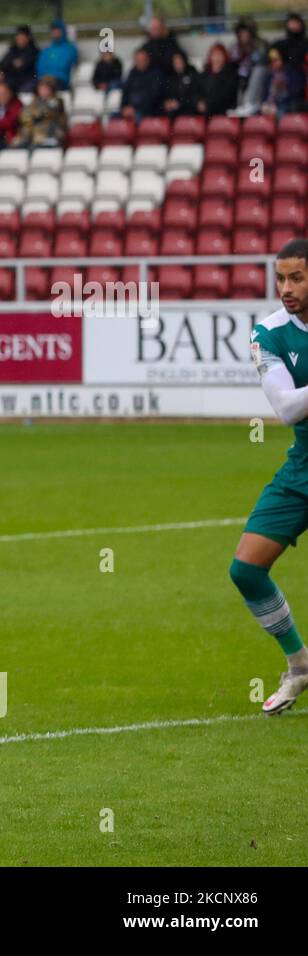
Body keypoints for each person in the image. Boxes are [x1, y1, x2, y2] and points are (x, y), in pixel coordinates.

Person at [230, 239, 308, 716]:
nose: (286, 288)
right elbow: (286, 407)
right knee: (245, 568)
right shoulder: (269, 334)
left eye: (297, 277)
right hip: (303, 466)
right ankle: (299, 665)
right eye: (280, 278)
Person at [13, 75, 68, 147]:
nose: (43, 91)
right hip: (33, 132)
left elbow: (49, 113)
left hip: (51, 131)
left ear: (52, 89)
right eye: (41, 88)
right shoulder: (34, 101)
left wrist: (36, 116)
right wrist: (36, 116)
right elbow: (24, 115)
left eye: (46, 88)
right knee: (19, 139)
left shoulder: (57, 101)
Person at [36, 19, 78, 90]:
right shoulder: (47, 49)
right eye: (53, 30)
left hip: (61, 80)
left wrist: (52, 75)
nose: (55, 32)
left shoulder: (70, 48)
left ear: (63, 31)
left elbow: (65, 65)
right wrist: (45, 76)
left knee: (47, 87)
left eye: (57, 30)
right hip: (44, 79)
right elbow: (40, 65)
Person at [0, 25, 38, 93]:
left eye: (22, 36)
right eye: (18, 35)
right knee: (0, 88)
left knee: (25, 90)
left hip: (27, 80)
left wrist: (9, 65)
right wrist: (12, 64)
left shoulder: (33, 51)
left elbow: (24, 66)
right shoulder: (13, 50)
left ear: (28, 37)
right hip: (11, 80)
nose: (20, 38)